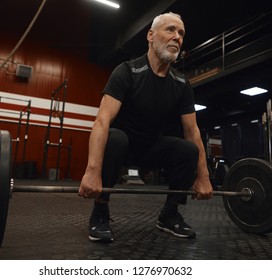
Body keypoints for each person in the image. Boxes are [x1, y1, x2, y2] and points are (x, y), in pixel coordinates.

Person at [78, 12, 213, 242]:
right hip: (122, 147)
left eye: (181, 33)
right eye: (170, 30)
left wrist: (204, 176)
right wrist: (92, 172)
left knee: (188, 150)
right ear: (151, 36)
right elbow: (102, 121)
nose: (177, 37)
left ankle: (169, 215)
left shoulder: (181, 83)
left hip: (150, 147)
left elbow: (192, 132)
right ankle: (100, 211)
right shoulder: (127, 71)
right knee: (116, 138)